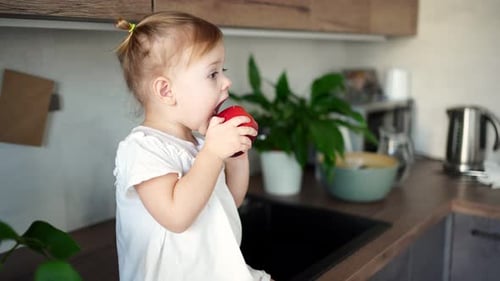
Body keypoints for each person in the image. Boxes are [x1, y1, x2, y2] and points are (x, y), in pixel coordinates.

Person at [113, 11, 271, 281]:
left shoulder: (200, 143)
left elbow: (227, 202)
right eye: (212, 74)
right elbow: (177, 216)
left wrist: (236, 158)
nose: (227, 82)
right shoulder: (142, 150)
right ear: (166, 91)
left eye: (223, 71)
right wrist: (212, 153)